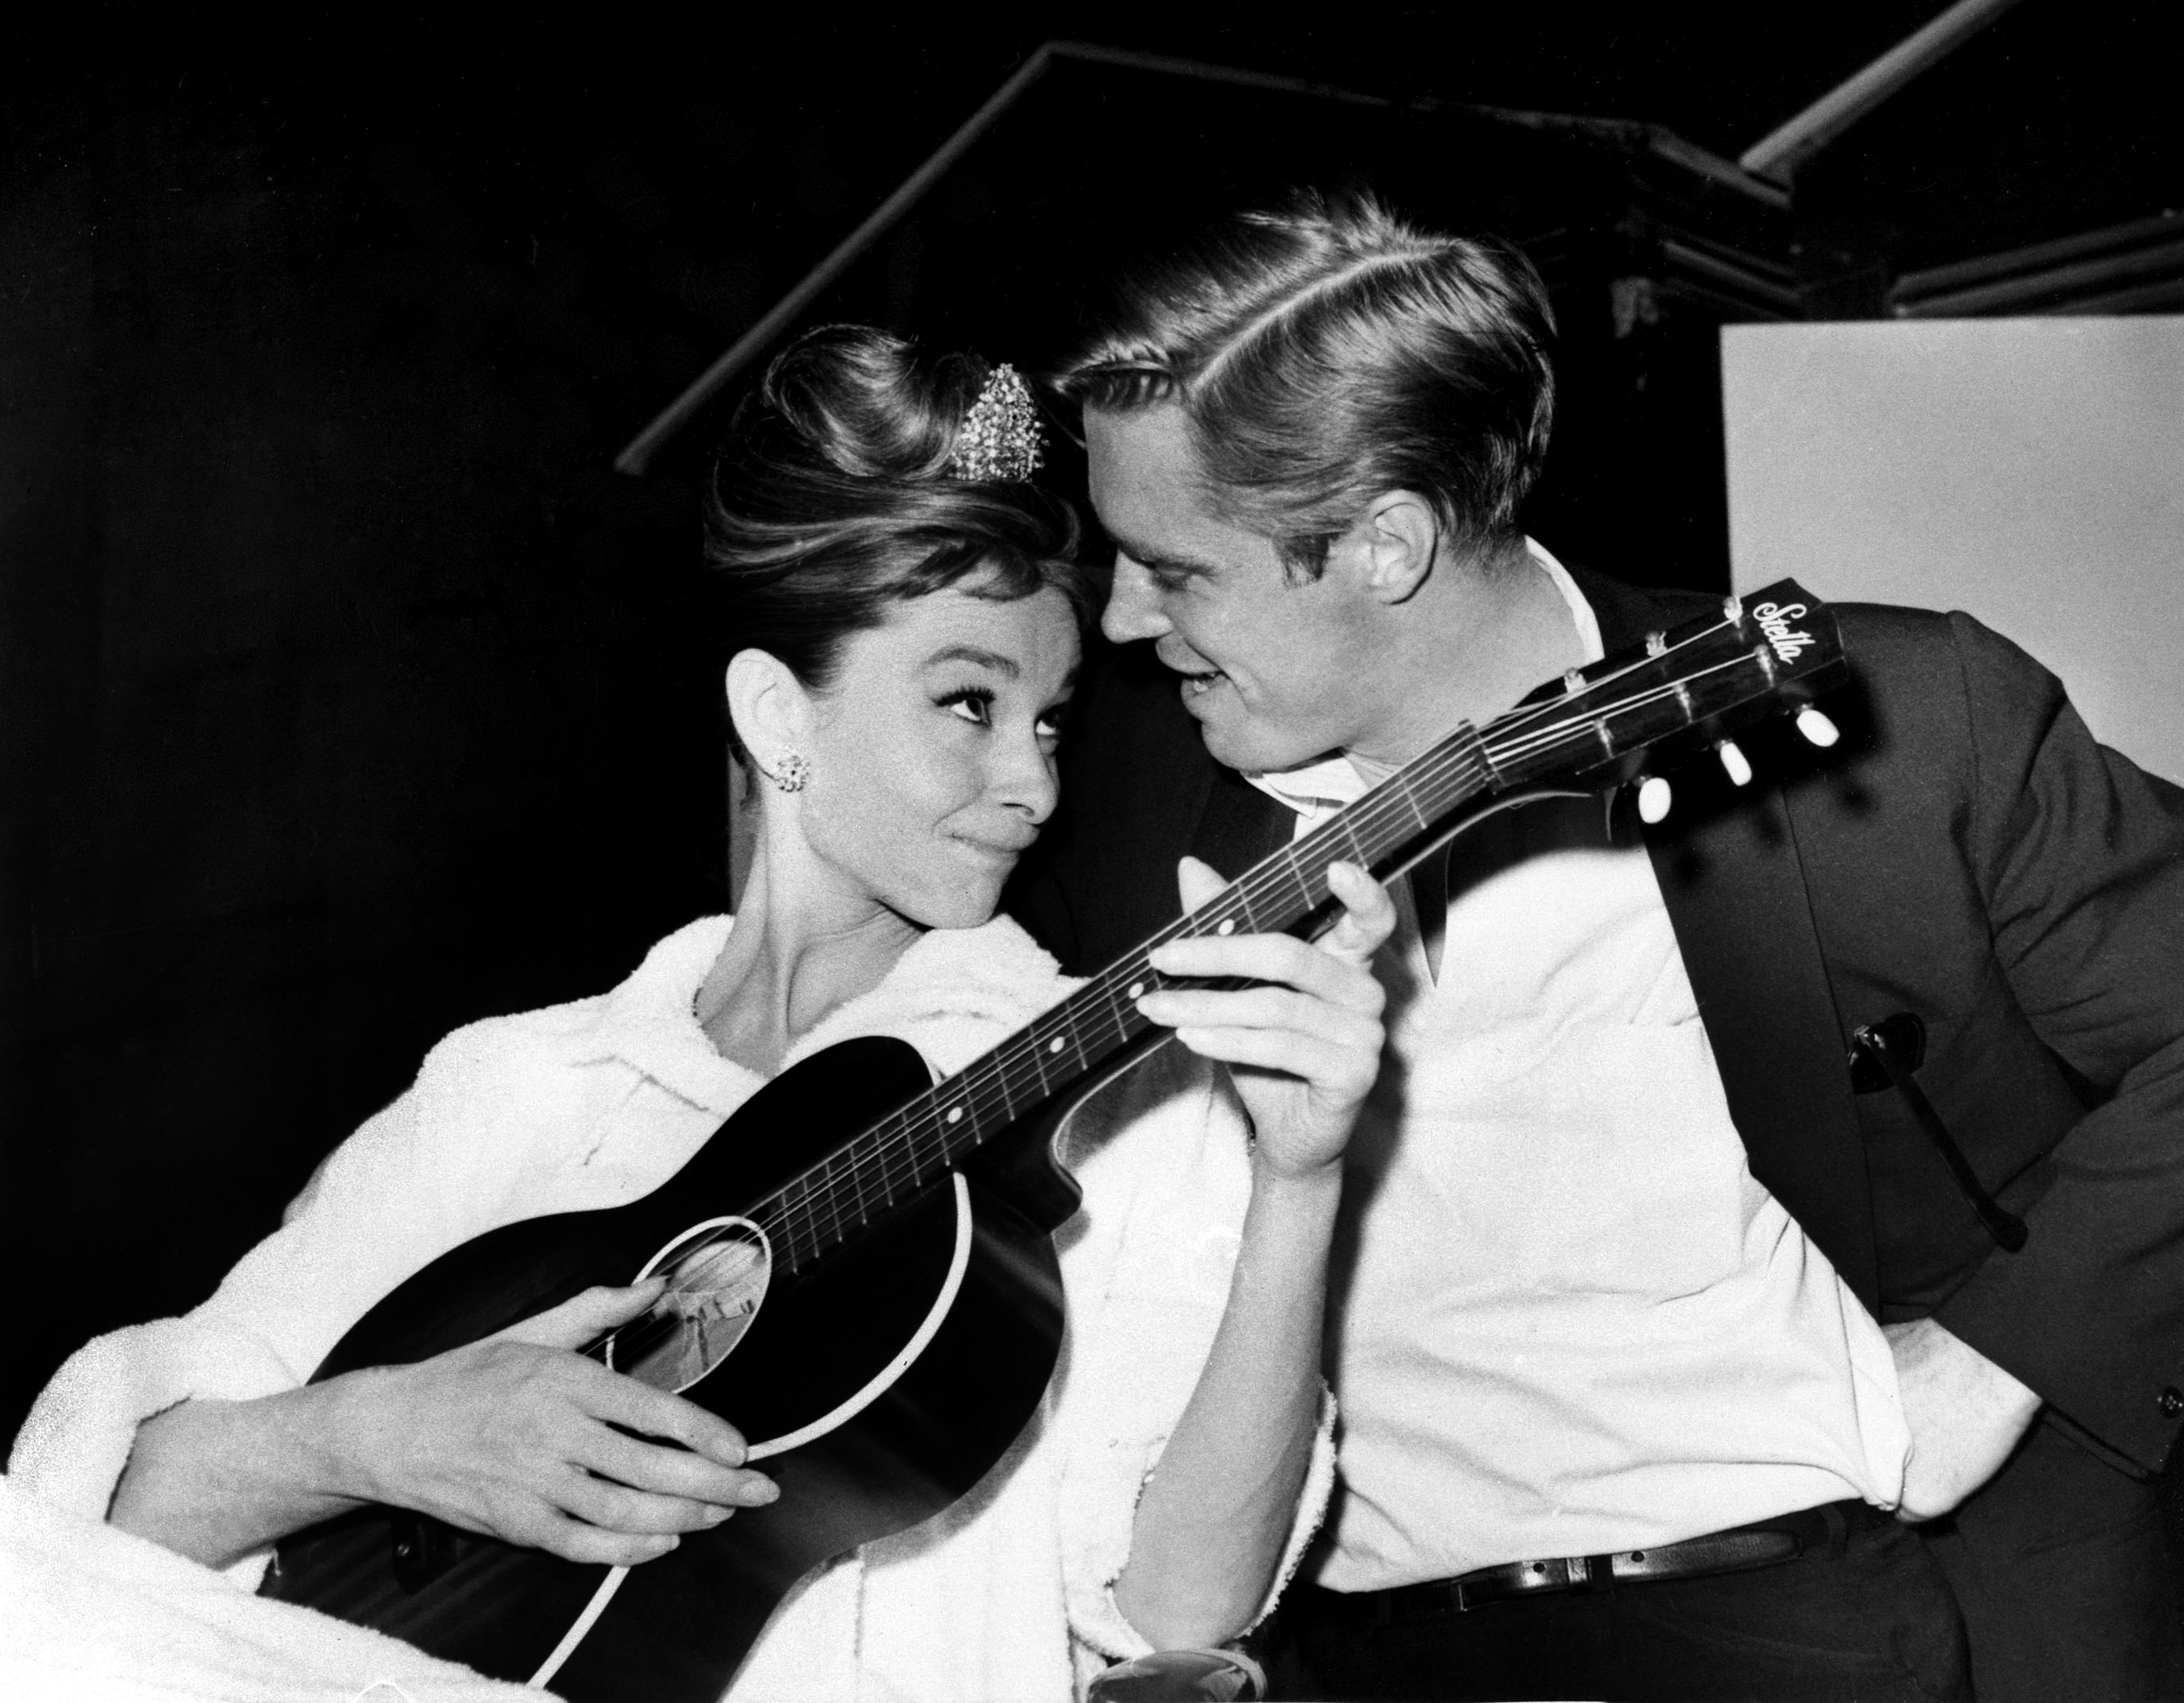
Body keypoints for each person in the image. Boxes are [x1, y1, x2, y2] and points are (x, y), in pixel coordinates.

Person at [7, 324, 1397, 1702]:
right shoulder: (517, 1089)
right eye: (968, 701)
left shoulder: (1109, 1090)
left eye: (1049, 720)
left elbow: (1176, 1608)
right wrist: (374, 1437)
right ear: (774, 715)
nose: (1031, 782)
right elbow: (111, 1515)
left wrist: (1299, 1180)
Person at [1011, 194, 2184, 1702]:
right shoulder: (1123, 828)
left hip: (1818, 1630)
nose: (1116, 623)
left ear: (1387, 544)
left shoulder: (1900, 721)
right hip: (1358, 1669)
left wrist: (1996, 1362)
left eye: (1173, 571)